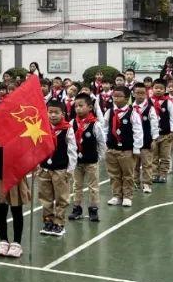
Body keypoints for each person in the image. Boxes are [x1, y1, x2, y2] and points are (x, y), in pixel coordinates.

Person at [38, 101, 77, 238]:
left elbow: (72, 150)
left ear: (63, 114)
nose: (53, 115)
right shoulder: (41, 127)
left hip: (61, 169)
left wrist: (70, 169)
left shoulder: (68, 129)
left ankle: (59, 223)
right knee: (45, 197)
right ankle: (48, 221)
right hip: (44, 168)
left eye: (56, 112)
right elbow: (38, 146)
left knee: (61, 197)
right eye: (50, 112)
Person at [0, 145, 30, 259]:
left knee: (16, 208)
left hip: (15, 174)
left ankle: (17, 243)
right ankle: (3, 240)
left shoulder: (19, 132)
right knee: (1, 208)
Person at [69, 92, 105, 222]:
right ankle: (77, 208)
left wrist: (98, 157)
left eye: (81, 105)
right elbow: (69, 142)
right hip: (77, 162)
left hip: (91, 161)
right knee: (76, 185)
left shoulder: (95, 124)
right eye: (76, 106)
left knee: (93, 186)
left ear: (90, 107)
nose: (78, 108)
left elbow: (101, 142)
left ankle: (93, 210)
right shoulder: (72, 123)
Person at [103, 85, 142, 207]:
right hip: (112, 149)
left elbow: (138, 131)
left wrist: (136, 148)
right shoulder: (109, 112)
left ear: (127, 98)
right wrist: (105, 144)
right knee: (114, 174)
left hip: (127, 150)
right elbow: (104, 129)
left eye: (119, 96)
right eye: (114, 96)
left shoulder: (132, 113)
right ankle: (116, 195)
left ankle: (127, 196)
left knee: (127, 174)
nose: (116, 99)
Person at [131, 82, 160, 194]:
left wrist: (154, 139)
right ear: (133, 94)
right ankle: (135, 182)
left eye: (143, 93)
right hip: (133, 142)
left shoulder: (150, 108)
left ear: (146, 94)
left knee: (147, 164)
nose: (140, 95)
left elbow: (154, 124)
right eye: (137, 93)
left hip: (147, 141)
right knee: (134, 164)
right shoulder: (130, 108)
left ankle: (147, 183)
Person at [148, 79, 173, 183]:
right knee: (153, 156)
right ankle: (154, 174)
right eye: (156, 88)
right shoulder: (148, 101)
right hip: (153, 136)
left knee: (165, 156)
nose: (158, 90)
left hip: (166, 134)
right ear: (152, 89)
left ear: (165, 90)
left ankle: (163, 174)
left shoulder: (168, 102)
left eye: (161, 88)